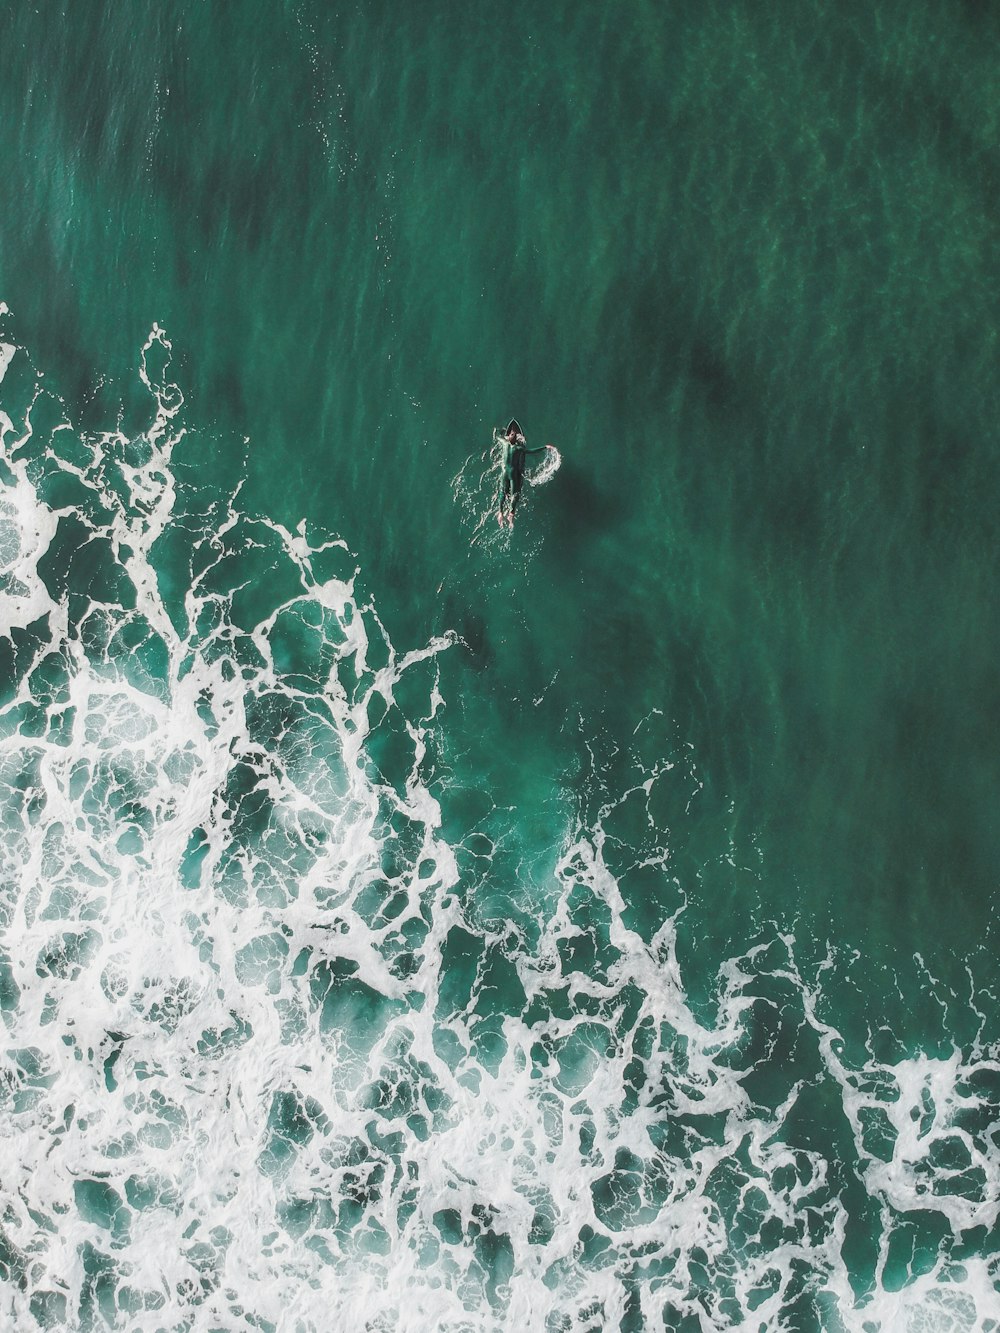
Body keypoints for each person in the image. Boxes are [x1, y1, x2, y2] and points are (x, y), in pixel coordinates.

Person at [497, 425, 554, 527]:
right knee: (515, 494)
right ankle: (511, 514)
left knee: (503, 492)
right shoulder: (519, 448)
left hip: (505, 473)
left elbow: (498, 437)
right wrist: (545, 447)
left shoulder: (504, 443)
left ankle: (500, 512)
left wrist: (501, 431)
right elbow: (532, 451)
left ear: (508, 438)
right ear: (516, 440)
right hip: (513, 474)